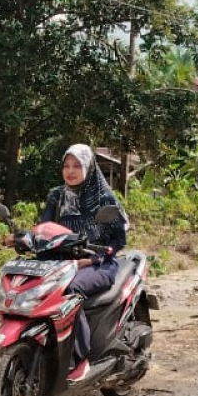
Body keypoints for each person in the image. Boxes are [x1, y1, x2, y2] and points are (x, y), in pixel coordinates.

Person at [36, 143, 128, 383]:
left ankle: (80, 358)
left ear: (88, 167)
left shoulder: (103, 196)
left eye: (77, 165)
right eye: (66, 165)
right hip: (64, 262)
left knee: (70, 290)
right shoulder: (57, 196)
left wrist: (96, 257)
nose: (70, 171)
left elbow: (119, 238)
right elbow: (45, 227)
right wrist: (25, 238)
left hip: (99, 263)